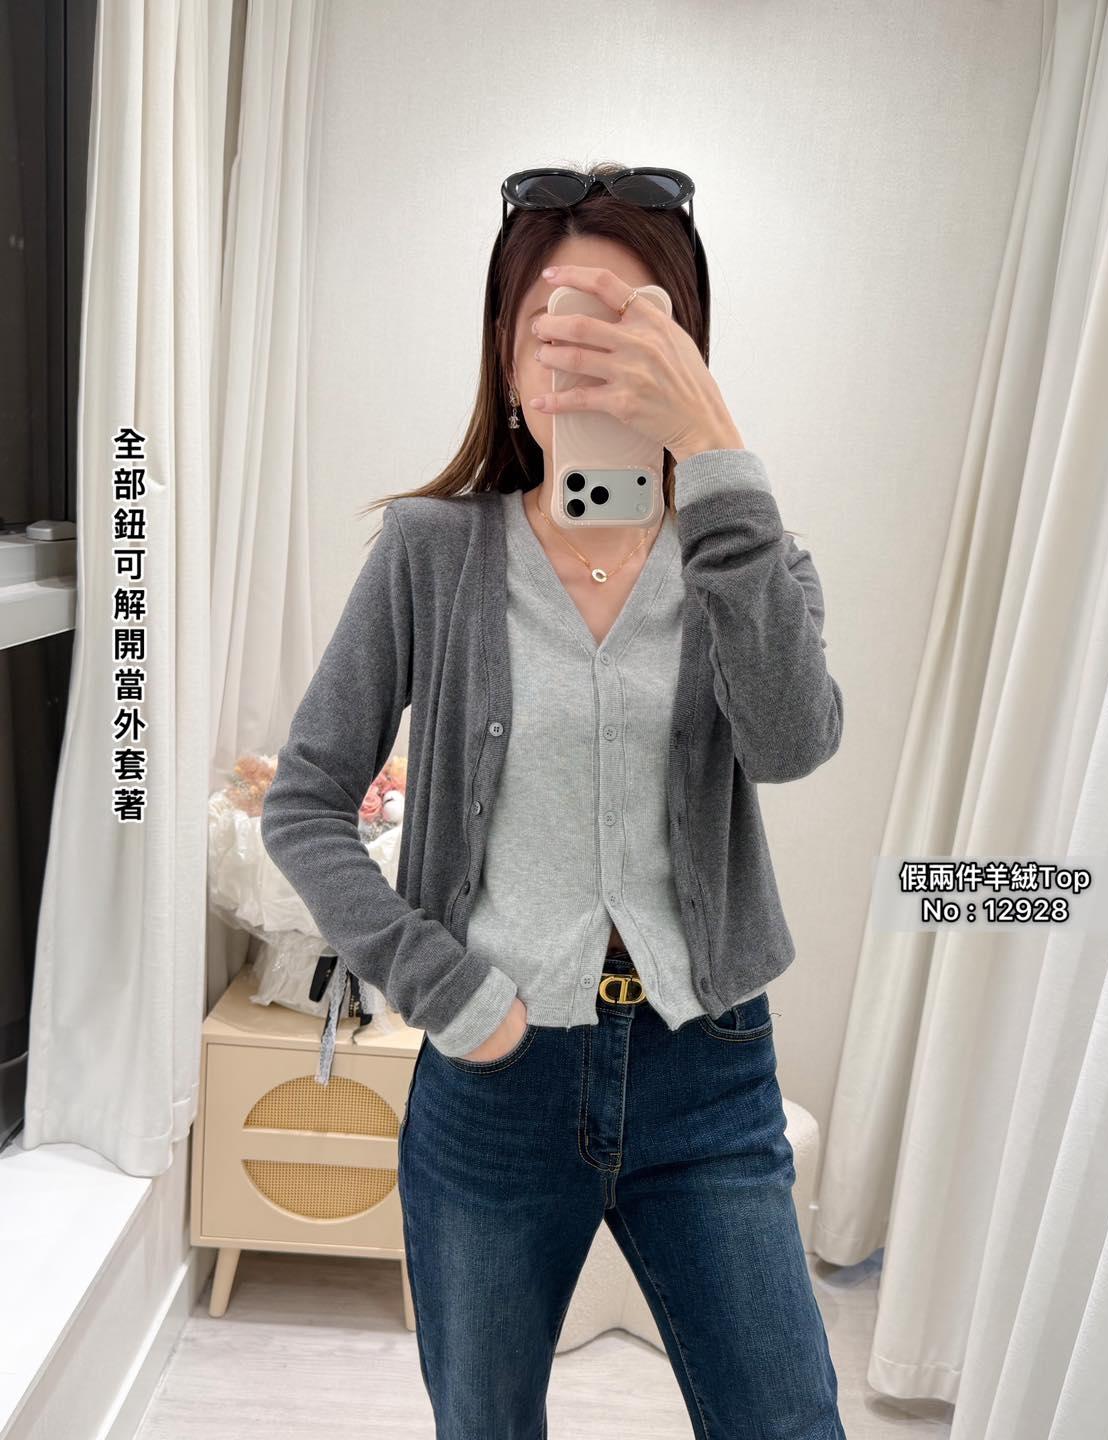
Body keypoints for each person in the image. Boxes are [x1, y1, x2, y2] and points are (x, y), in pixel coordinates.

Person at [261, 161, 847, 1440]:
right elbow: (303, 802)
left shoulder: (745, 553)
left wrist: (717, 458)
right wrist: (446, 990)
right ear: (505, 352)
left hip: (708, 1071)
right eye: (553, 324)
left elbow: (793, 743)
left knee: (789, 1422)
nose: (582, 361)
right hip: (496, 1082)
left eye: (627, 326)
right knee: (484, 1424)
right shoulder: (431, 553)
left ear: (685, 356)